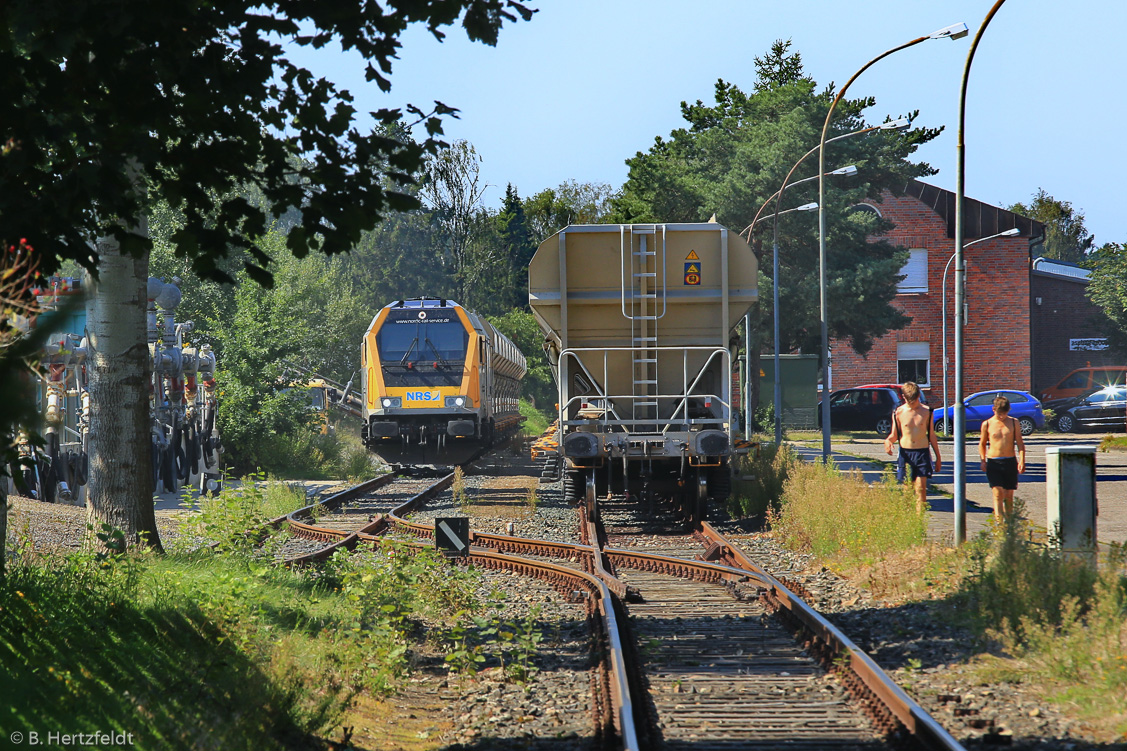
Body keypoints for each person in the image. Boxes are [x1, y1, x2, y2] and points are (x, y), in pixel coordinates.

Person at [884, 381, 941, 514]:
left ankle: (919, 517)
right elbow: (894, 435)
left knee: (921, 488)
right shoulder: (898, 413)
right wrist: (887, 442)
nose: (913, 403)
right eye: (910, 401)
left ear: (918, 397)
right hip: (906, 454)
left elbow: (932, 435)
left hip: (922, 453)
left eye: (915, 400)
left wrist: (938, 457)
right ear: (904, 398)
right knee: (907, 489)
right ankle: (909, 517)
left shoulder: (927, 412)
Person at [979, 395, 1025, 521]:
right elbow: (982, 444)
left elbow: (1020, 443)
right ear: (994, 409)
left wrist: (1022, 460)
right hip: (994, 462)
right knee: (998, 493)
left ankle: (1009, 523)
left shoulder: (1014, 423)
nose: (1002, 416)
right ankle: (1000, 525)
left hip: (1010, 461)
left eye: (1004, 413)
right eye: (999, 413)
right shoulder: (987, 424)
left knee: (1008, 495)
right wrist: (982, 460)